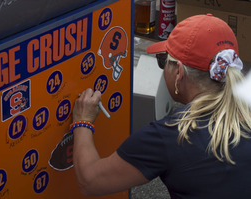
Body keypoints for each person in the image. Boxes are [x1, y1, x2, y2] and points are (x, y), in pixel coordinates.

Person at [71, 14, 251, 199]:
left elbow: (90, 181)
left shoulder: (172, 135)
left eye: (163, 61)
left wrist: (83, 122)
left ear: (179, 72)